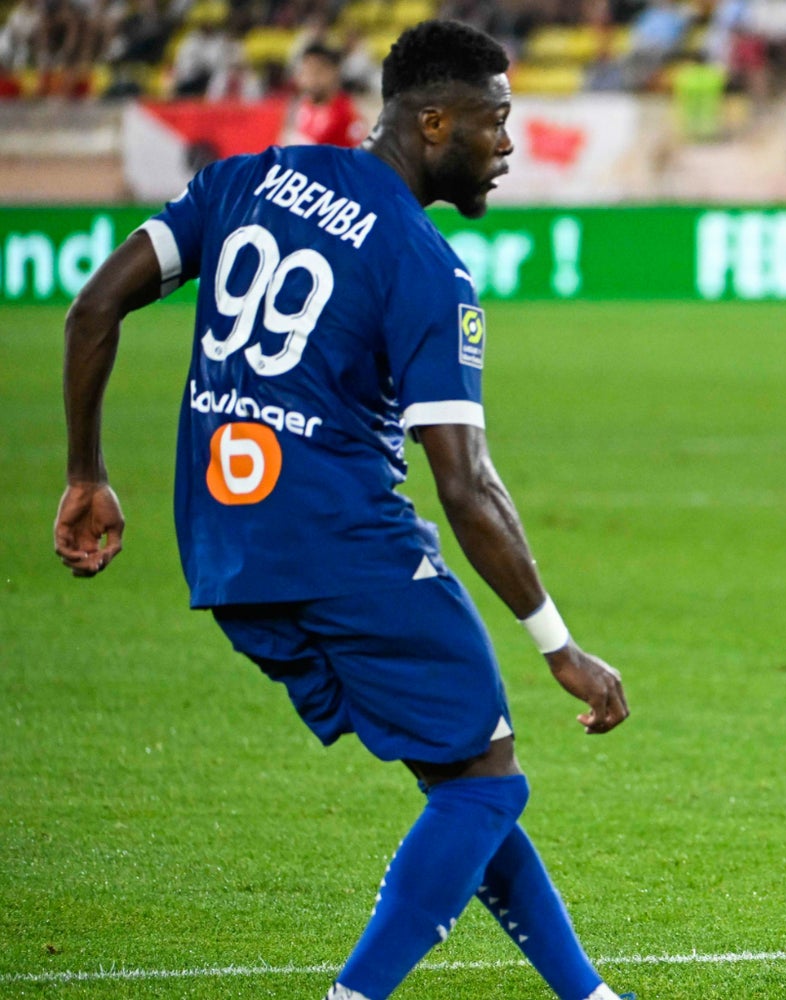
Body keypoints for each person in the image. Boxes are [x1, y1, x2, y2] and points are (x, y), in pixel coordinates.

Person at [53, 20, 630, 1000]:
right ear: (433, 120)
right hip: (346, 543)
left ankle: (589, 995)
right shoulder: (423, 263)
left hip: (228, 555)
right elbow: (465, 481)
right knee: (488, 781)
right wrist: (557, 643)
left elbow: (92, 309)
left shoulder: (243, 181)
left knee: (465, 784)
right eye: (494, 122)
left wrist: (85, 472)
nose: (508, 145)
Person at [287, 43, 363, 147]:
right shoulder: (301, 107)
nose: (311, 79)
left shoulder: (345, 114)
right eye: (306, 72)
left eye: (317, 72)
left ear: (333, 73)